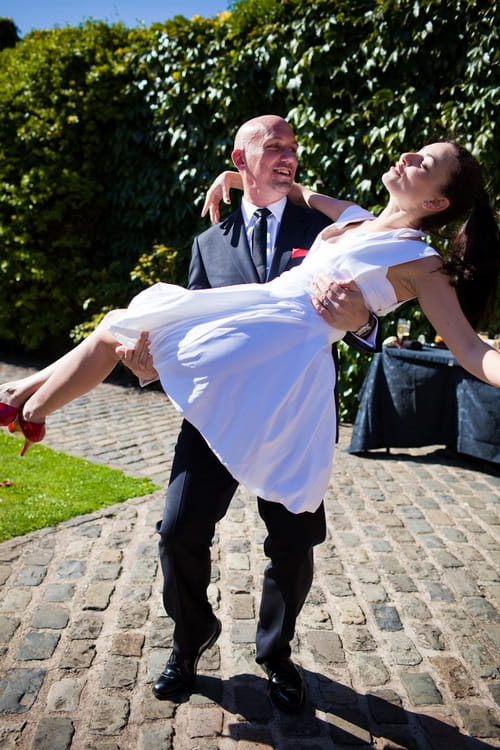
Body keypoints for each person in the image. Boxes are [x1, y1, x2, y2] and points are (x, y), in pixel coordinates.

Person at [2, 132, 500, 709]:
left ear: (436, 203)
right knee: (130, 325)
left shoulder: (422, 262)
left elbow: (470, 348)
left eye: (425, 162)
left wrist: (361, 321)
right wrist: (236, 180)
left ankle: (276, 655)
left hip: (287, 381)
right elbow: (308, 192)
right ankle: (29, 404)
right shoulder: (352, 218)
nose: (407, 156)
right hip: (241, 338)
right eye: (415, 150)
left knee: (292, 540)